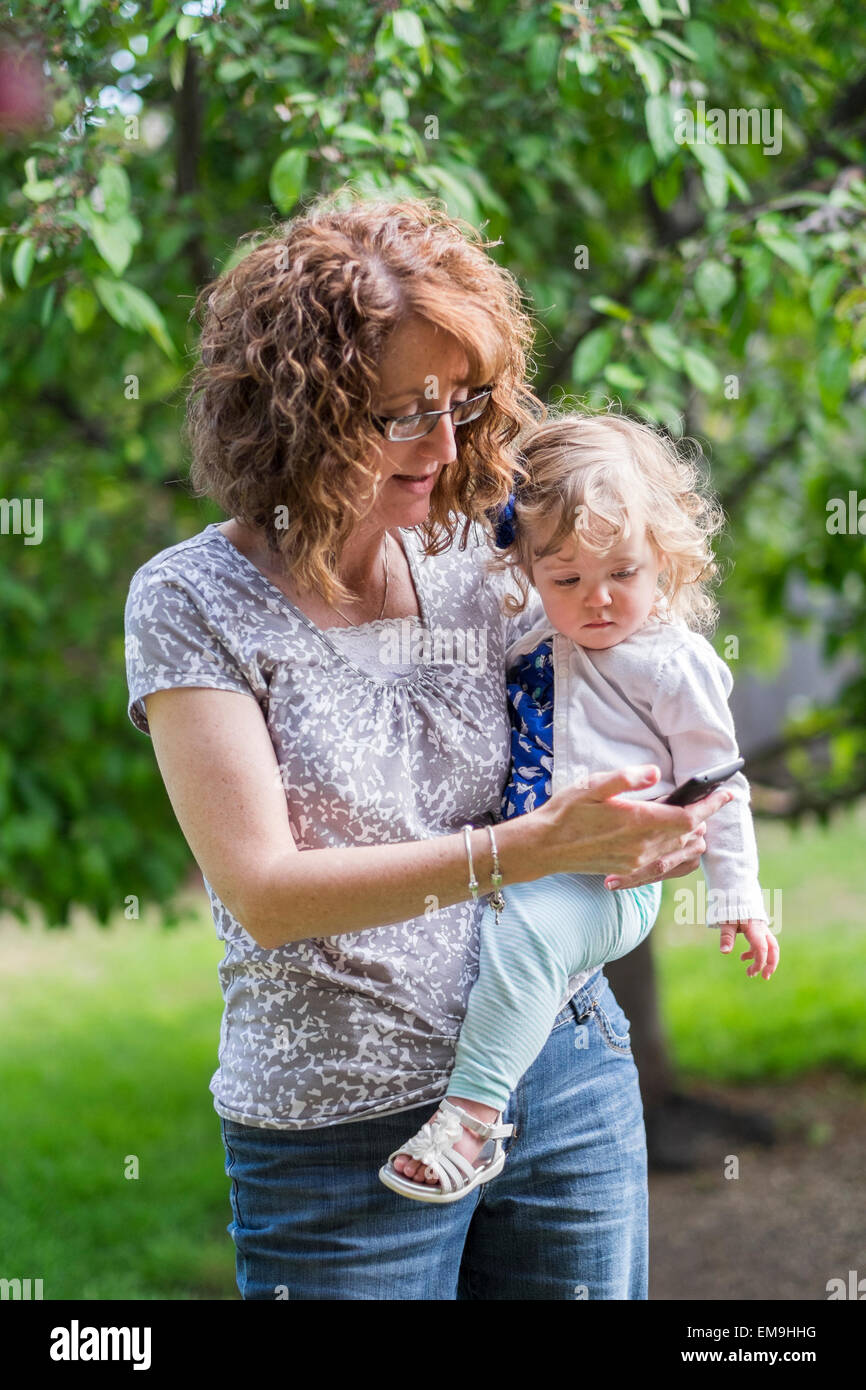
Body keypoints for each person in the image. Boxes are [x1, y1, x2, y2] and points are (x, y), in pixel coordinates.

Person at [123, 190, 732, 1300]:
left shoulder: (482, 552)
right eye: (401, 412)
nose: (445, 445)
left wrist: (670, 812)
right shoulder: (193, 601)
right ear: (296, 411)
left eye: (460, 402)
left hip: (560, 1076)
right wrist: (526, 851)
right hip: (337, 1132)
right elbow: (265, 892)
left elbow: (636, 644)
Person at [379, 409, 780, 1204]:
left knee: (526, 939)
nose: (597, 600)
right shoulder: (532, 635)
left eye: (622, 574)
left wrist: (738, 898)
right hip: (527, 859)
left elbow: (718, 785)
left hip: (606, 882)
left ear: (664, 559)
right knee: (502, 934)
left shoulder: (672, 665)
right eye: (566, 579)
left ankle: (470, 1119)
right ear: (530, 569)